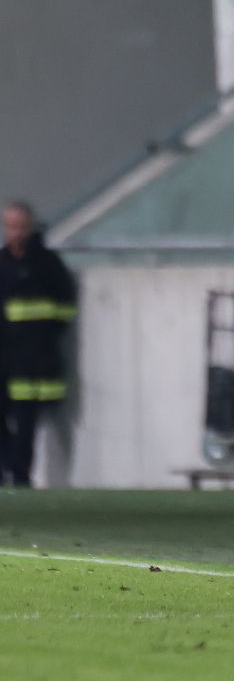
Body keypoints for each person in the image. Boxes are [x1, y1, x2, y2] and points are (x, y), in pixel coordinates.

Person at [0, 201, 76, 488]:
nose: (15, 233)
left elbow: (65, 308)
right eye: (10, 226)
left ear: (30, 227)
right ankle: (7, 467)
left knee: (25, 423)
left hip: (34, 358)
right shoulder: (2, 263)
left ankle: (21, 478)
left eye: (20, 226)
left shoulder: (47, 264)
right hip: (5, 356)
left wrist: (44, 336)